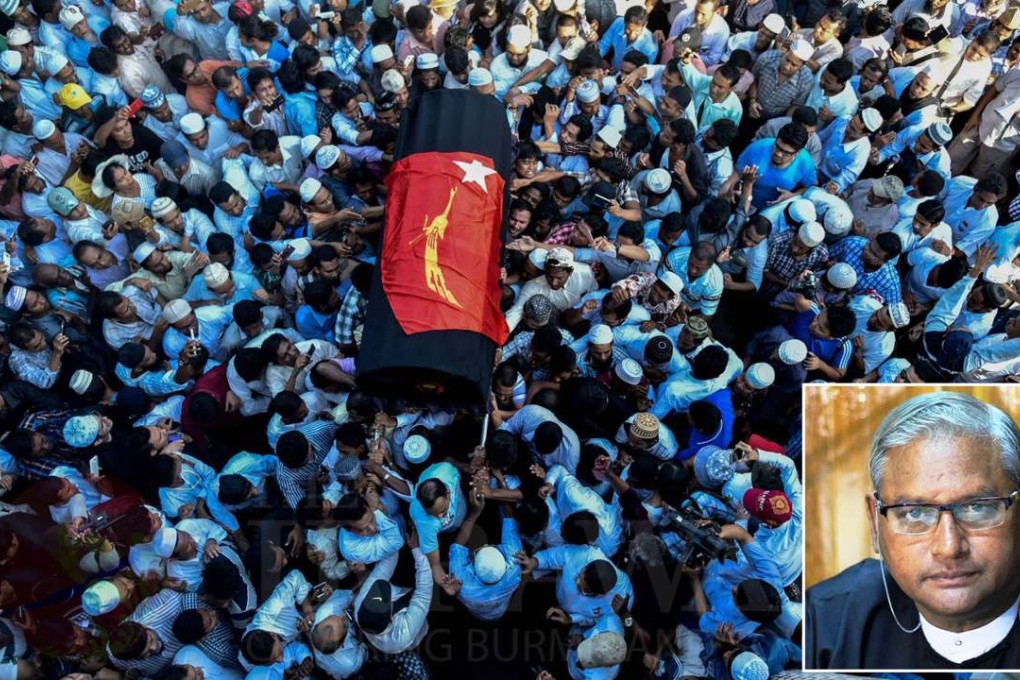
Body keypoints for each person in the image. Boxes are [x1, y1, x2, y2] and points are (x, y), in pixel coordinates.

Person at [807, 392, 1020, 668]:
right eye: (914, 513)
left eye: (977, 507)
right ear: (875, 523)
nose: (949, 547)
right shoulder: (825, 620)